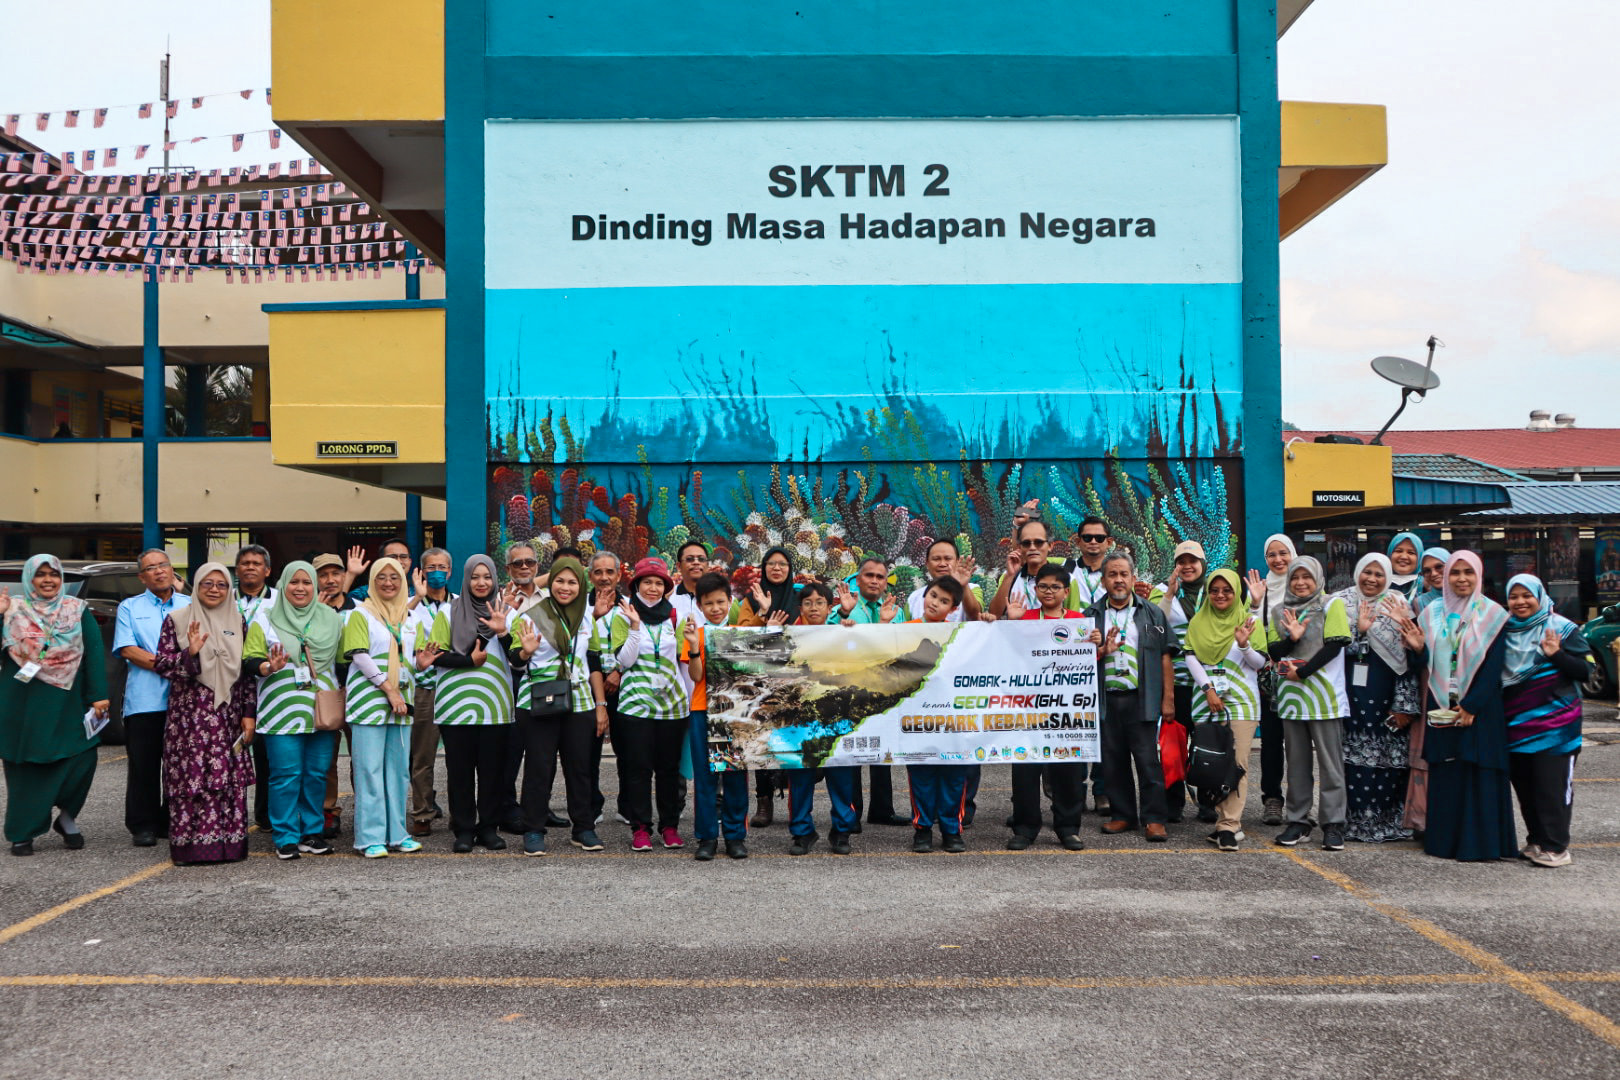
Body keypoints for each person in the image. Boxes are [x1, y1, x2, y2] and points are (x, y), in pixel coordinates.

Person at [1399, 551, 1514, 862]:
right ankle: (1445, 843)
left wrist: (1472, 705)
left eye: (1468, 572)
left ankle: (1481, 845)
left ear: (1479, 575)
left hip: (1481, 709)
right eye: (1455, 573)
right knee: (1447, 772)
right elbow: (1422, 665)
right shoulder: (1431, 614)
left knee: (1478, 772)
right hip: (1441, 705)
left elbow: (1494, 667)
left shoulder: (1494, 615)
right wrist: (1418, 649)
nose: (1462, 579)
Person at [0, 555, 109, 856]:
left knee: (82, 759)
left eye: (54, 574)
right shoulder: (12, 610)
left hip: (68, 700)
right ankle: (22, 832)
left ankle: (67, 817)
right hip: (22, 703)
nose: (48, 580)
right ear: (30, 579)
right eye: (41, 574)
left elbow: (94, 654)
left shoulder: (76, 610)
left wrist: (99, 695)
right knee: (26, 768)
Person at [156, 563, 257, 865]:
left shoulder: (238, 621)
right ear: (197, 586)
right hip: (189, 719)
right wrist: (190, 652)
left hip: (229, 716)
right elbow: (162, 665)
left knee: (227, 778)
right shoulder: (177, 620)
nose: (214, 589)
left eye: (221, 584)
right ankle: (190, 850)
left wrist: (249, 712)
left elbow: (246, 673)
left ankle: (230, 847)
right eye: (207, 583)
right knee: (192, 777)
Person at [243, 562, 344, 860]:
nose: (300, 588)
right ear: (283, 584)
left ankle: (311, 833)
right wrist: (268, 666)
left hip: (322, 710)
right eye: (294, 582)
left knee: (316, 774)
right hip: (280, 712)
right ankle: (285, 836)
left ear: (315, 586)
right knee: (286, 775)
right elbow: (249, 659)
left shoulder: (332, 619)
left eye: (307, 582)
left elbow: (342, 663)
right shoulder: (265, 617)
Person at [509, 556, 603, 856]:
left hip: (580, 701)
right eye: (559, 581)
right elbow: (514, 659)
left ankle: (583, 828)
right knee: (539, 767)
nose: (565, 587)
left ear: (581, 586)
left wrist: (600, 704)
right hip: (539, 700)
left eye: (572, 582)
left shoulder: (587, 618)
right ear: (550, 583)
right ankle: (534, 829)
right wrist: (525, 653)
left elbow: (594, 660)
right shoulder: (532, 614)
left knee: (579, 767)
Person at [1501, 574, 1591, 868]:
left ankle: (1556, 847)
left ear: (1539, 596)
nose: (1520, 602)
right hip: (1516, 726)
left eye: (1527, 595)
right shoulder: (1503, 630)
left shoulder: (1561, 628)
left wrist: (1556, 655)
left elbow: (1586, 671)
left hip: (1557, 728)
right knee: (1526, 789)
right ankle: (1537, 841)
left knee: (1552, 788)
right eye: (1514, 596)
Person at [426, 554, 514, 853]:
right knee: (460, 773)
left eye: (487, 576)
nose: (481, 582)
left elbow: (518, 658)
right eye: (475, 577)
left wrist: (502, 631)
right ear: (465, 579)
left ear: (495, 579)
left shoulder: (506, 611)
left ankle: (488, 828)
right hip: (456, 707)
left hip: (495, 707)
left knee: (492, 773)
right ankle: (463, 829)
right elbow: (435, 655)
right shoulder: (448, 612)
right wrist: (468, 661)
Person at [342, 558, 428, 858]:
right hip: (370, 703)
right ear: (372, 581)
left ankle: (397, 834)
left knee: (398, 772)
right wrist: (389, 689)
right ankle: (370, 838)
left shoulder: (411, 618)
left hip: (401, 704)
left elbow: (413, 660)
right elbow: (359, 656)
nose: (388, 582)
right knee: (370, 771)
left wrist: (422, 663)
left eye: (394, 577)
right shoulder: (360, 614)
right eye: (381, 577)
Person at [1088, 551, 1175, 842]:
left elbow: (1165, 655)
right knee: (1113, 762)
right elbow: (1077, 659)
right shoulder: (1090, 616)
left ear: (1133, 578)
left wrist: (1168, 699)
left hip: (1142, 699)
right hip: (1106, 700)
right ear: (1103, 580)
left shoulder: (1152, 613)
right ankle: (1123, 815)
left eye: (1124, 574)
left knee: (1148, 762)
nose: (1119, 580)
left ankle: (1154, 819)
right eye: (1112, 574)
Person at [1266, 556, 1350, 851]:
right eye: (1295, 577)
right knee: (1297, 764)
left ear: (1318, 579)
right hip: (1292, 699)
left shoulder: (1331, 605)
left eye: (1307, 577)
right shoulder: (1279, 610)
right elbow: (1274, 651)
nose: (1300, 583)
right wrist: (1292, 638)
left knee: (1330, 765)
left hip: (1325, 698)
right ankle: (1298, 821)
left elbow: (1336, 644)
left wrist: (1303, 672)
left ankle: (1333, 824)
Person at [1335, 554, 1419, 844]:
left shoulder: (1398, 604)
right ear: (1357, 572)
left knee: (1389, 763)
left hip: (1387, 696)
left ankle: (1387, 823)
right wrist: (1359, 631)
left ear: (1387, 577)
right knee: (1352, 761)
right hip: (1351, 696)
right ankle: (1353, 824)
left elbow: (1409, 660)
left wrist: (1405, 705)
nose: (1371, 579)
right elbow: (1332, 651)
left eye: (1379, 574)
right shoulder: (1341, 603)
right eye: (1367, 572)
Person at [1182, 569, 1265, 851]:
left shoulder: (1248, 620)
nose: (1220, 595)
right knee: (1212, 762)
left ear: (1236, 593)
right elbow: (1190, 656)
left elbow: (1259, 663)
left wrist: (1244, 646)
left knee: (1237, 763)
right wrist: (1208, 689)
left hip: (1241, 703)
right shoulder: (1198, 621)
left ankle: (1229, 825)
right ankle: (1222, 820)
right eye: (1214, 590)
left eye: (1227, 590)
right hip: (1206, 701)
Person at [610, 557, 689, 851]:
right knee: (638, 769)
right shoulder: (622, 615)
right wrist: (634, 626)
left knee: (669, 770)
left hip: (672, 705)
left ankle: (669, 827)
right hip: (635, 705)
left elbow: (681, 660)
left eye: (658, 583)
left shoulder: (675, 616)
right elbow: (624, 660)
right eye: (647, 583)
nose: (653, 588)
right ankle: (641, 828)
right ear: (636, 585)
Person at [114, 547, 191, 847]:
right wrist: (174, 665)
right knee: (143, 765)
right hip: (144, 701)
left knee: (179, 766)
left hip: (184, 701)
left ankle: (170, 820)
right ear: (141, 577)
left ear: (172, 570)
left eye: (164, 565)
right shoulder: (129, 607)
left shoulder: (190, 604)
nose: (159, 571)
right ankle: (142, 824)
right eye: (151, 568)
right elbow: (128, 649)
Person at [1006, 563, 1086, 852]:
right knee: (1025, 771)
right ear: (1035, 589)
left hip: (1066, 709)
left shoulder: (1079, 621)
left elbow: (1087, 664)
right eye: (1043, 586)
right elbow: (1004, 653)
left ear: (1066, 591)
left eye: (1055, 587)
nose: (1048, 591)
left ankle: (1068, 828)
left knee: (1068, 771)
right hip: (1028, 707)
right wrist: (1012, 624)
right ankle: (1025, 828)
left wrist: (1098, 646)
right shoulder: (1025, 617)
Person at [782, 582, 862, 855]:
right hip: (801, 720)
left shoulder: (842, 632)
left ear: (830, 608)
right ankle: (802, 832)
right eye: (808, 603)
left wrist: (848, 627)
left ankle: (841, 830)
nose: (813, 608)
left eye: (819, 603)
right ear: (800, 608)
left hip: (837, 718)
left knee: (840, 776)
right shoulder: (788, 636)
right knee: (800, 777)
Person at [829, 556, 908, 827]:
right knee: (852, 752)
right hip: (849, 691)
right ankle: (851, 814)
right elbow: (825, 641)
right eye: (869, 575)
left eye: (880, 577)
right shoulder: (844, 609)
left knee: (882, 749)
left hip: (884, 689)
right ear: (858, 579)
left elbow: (902, 647)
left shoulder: (896, 612)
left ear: (886, 583)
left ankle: (882, 809)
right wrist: (843, 615)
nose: (874, 581)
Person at [685, 572, 753, 860]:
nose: (715, 608)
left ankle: (735, 836)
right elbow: (696, 676)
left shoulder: (740, 634)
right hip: (703, 710)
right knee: (705, 778)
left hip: (734, 713)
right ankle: (707, 837)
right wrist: (693, 647)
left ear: (730, 601)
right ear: (700, 606)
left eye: (720, 602)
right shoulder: (696, 634)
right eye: (709, 603)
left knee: (734, 775)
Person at [907, 576, 970, 853]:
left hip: (953, 718)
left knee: (954, 776)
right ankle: (922, 829)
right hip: (916, 718)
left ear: (953, 609)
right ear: (925, 595)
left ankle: (951, 830)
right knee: (921, 774)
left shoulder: (963, 635)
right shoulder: (903, 630)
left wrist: (991, 622)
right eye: (933, 596)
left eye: (944, 601)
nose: (935, 603)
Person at [735, 547, 796, 826]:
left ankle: (798, 804)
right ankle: (764, 801)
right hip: (760, 680)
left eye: (782, 564)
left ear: (790, 569)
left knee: (793, 740)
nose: (777, 568)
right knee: (761, 739)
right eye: (771, 563)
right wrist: (762, 614)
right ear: (763, 568)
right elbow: (740, 636)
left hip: (794, 678)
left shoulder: (799, 599)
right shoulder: (750, 600)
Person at [1151, 540, 1208, 824]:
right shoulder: (1161, 590)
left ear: (1202, 564)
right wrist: (1169, 596)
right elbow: (1152, 628)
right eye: (1181, 562)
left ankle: (1208, 802)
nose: (1187, 566)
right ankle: (1173, 803)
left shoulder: (1215, 590)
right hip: (1175, 684)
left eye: (1192, 561)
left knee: (1206, 744)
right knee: (1173, 747)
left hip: (1208, 685)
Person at [404, 546, 453, 836]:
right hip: (424, 689)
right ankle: (422, 813)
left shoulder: (458, 604)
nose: (437, 573)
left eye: (442, 567)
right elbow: (394, 624)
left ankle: (461, 812)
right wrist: (416, 596)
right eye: (431, 568)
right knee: (422, 756)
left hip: (453, 687)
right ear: (421, 572)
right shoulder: (411, 604)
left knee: (460, 756)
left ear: (450, 571)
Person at [1403, 545, 1451, 835]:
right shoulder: (1419, 605)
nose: (1433, 574)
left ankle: (1453, 818)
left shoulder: (1473, 604)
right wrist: (1420, 650)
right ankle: (1424, 821)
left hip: (1462, 688)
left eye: (1439, 568)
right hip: (1429, 686)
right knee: (1426, 749)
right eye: (1427, 570)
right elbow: (1412, 656)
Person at [1252, 533, 1297, 827]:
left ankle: (1300, 803)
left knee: (1300, 744)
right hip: (1273, 682)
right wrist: (1256, 603)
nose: (1278, 559)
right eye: (1272, 555)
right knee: (1271, 742)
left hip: (1305, 678)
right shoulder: (1262, 591)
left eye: (1283, 553)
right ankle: (1272, 798)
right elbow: (1252, 631)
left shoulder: (1307, 585)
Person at [313, 552, 356, 839]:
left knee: (361, 756)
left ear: (344, 576)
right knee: (325, 758)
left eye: (335, 573)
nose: (330, 579)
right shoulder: (307, 612)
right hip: (324, 691)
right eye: (323, 575)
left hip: (358, 691)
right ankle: (328, 812)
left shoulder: (361, 609)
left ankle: (366, 810)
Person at [234, 545, 276, 832]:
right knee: (228, 751)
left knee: (266, 752)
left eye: (256, 563)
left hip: (265, 681)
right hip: (230, 682)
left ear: (267, 570)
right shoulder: (224, 598)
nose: (250, 567)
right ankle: (230, 814)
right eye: (245, 563)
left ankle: (265, 813)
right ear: (237, 569)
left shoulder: (279, 600)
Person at [587, 551, 625, 825]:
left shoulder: (630, 606)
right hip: (591, 685)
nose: (604, 577)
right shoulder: (581, 607)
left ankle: (628, 806)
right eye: (598, 572)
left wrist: (618, 671)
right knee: (588, 751)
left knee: (628, 750)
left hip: (623, 684)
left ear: (619, 575)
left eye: (609, 571)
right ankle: (591, 806)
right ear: (590, 576)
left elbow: (639, 643)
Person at [989, 519, 1080, 618]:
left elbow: (1074, 621)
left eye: (1039, 542)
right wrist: (1010, 576)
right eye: (1026, 543)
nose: (1032, 547)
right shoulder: (1010, 577)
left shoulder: (1068, 579)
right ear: (1019, 548)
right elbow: (994, 614)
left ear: (1050, 545)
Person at [905, 539, 984, 622]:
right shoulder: (913, 598)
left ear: (957, 562)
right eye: (936, 559)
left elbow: (976, 617)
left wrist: (963, 586)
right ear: (927, 564)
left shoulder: (972, 589)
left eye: (948, 559)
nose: (942, 564)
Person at [344, 537, 414, 602]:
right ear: (380, 561)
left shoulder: (416, 593)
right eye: (392, 557)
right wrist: (351, 574)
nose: (398, 561)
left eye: (403, 557)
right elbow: (340, 605)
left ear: (410, 561)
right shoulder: (364, 593)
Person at [1386, 532, 1424, 599]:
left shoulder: (1427, 586)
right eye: (1399, 551)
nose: (1404, 557)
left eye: (1411, 552)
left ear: (1419, 558)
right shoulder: (1377, 583)